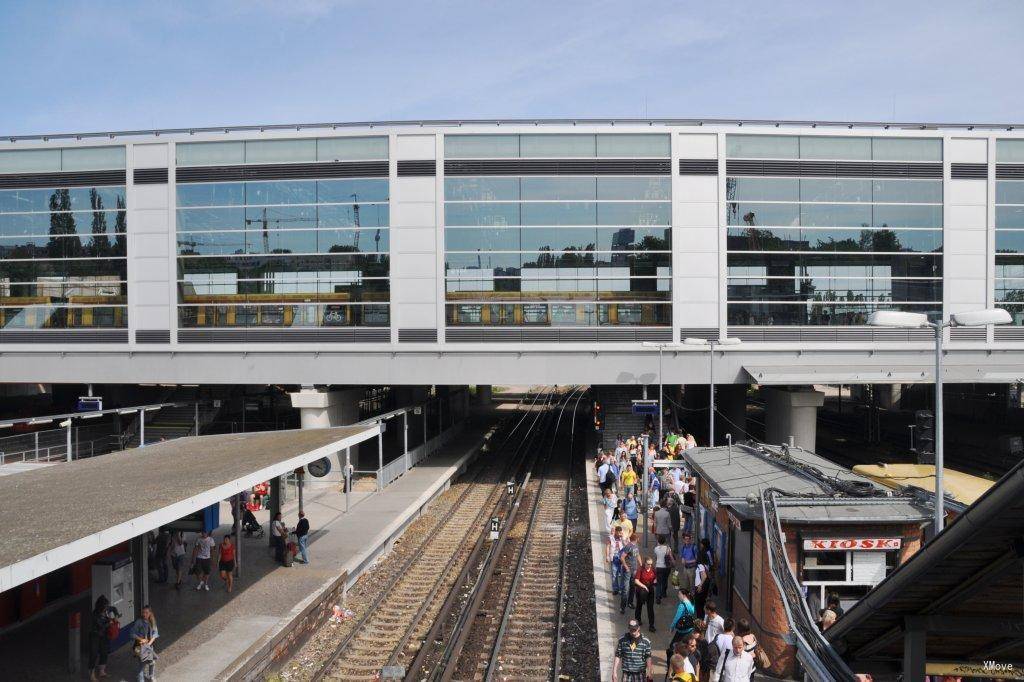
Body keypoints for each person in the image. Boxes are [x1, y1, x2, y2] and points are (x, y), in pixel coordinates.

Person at [88, 595, 119, 681]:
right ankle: (92, 674)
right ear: (100, 607)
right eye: (104, 608)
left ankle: (102, 671)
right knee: (93, 654)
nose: (106, 609)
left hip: (104, 635)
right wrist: (110, 622)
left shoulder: (107, 609)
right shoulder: (95, 615)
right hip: (95, 635)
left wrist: (116, 615)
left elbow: (114, 609)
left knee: (104, 652)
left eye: (106, 607)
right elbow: (101, 626)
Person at [666, 588, 696, 674]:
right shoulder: (690, 603)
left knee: (673, 646)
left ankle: (672, 666)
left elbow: (677, 617)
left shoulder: (682, 605)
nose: (678, 596)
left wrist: (672, 627)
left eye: (679, 594)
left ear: (684, 595)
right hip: (689, 629)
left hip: (681, 630)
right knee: (686, 645)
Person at [131, 604, 158, 682]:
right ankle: (140, 680)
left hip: (149, 646)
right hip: (140, 647)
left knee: (152, 662)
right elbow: (132, 633)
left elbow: (155, 634)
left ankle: (151, 676)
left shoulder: (152, 621)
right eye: (143, 612)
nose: (144, 614)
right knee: (141, 665)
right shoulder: (139, 622)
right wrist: (141, 639)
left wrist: (149, 644)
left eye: (146, 613)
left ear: (150, 613)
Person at [618, 533, 641, 613]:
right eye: (638, 538)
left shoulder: (636, 546)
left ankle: (630, 602)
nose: (639, 539)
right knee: (625, 589)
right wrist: (626, 567)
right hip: (628, 571)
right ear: (636, 538)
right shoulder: (628, 546)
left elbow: (638, 555)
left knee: (632, 587)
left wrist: (640, 565)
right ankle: (622, 607)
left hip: (634, 570)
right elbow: (622, 557)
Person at [633, 557, 657, 631]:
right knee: (639, 606)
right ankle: (638, 621)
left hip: (650, 590)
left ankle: (651, 625)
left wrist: (656, 580)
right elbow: (636, 580)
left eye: (651, 564)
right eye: (648, 564)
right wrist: (643, 586)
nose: (650, 565)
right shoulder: (640, 569)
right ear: (645, 563)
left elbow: (656, 576)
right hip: (641, 590)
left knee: (650, 608)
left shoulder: (653, 569)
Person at [653, 534, 674, 604]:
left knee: (659, 582)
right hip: (666, 567)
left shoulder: (656, 549)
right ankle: (664, 593)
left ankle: (658, 596)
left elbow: (656, 557)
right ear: (665, 541)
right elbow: (671, 557)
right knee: (665, 580)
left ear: (658, 541)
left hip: (658, 567)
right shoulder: (668, 548)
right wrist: (674, 563)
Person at [607, 525, 627, 596]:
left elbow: (626, 546)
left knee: (622, 574)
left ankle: (621, 589)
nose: (619, 534)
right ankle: (615, 589)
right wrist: (607, 556)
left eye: (620, 533)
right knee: (614, 574)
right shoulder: (611, 538)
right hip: (614, 557)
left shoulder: (622, 538)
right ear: (615, 532)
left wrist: (622, 538)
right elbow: (608, 546)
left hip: (621, 557)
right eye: (618, 533)